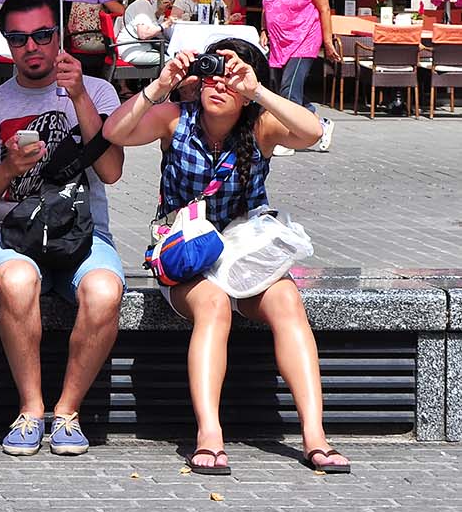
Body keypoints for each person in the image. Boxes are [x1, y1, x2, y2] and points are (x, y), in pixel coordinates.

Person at [104, 37, 350, 477]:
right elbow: (115, 133)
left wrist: (257, 90)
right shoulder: (176, 119)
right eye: (212, 74)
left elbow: (313, 133)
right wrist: (161, 84)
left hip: (246, 255)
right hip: (186, 255)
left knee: (288, 301)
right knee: (214, 305)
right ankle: (209, 434)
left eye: (230, 78)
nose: (218, 85)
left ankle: (315, 435)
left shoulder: (261, 127)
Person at [0, 0, 125, 458]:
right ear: (6, 43)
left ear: (60, 35)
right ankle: (31, 409)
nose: (31, 47)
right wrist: (9, 169)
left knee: (104, 291)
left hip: (84, 233)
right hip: (16, 233)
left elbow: (111, 171)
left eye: (41, 35)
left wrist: (79, 97)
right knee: (15, 282)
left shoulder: (98, 91)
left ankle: (67, 411)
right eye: (18, 39)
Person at [261, 0, 337, 153]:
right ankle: (319, 124)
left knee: (289, 89)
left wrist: (328, 41)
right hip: (279, 41)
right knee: (283, 89)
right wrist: (264, 29)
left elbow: (324, 8)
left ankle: (288, 140)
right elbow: (267, 3)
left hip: (305, 38)